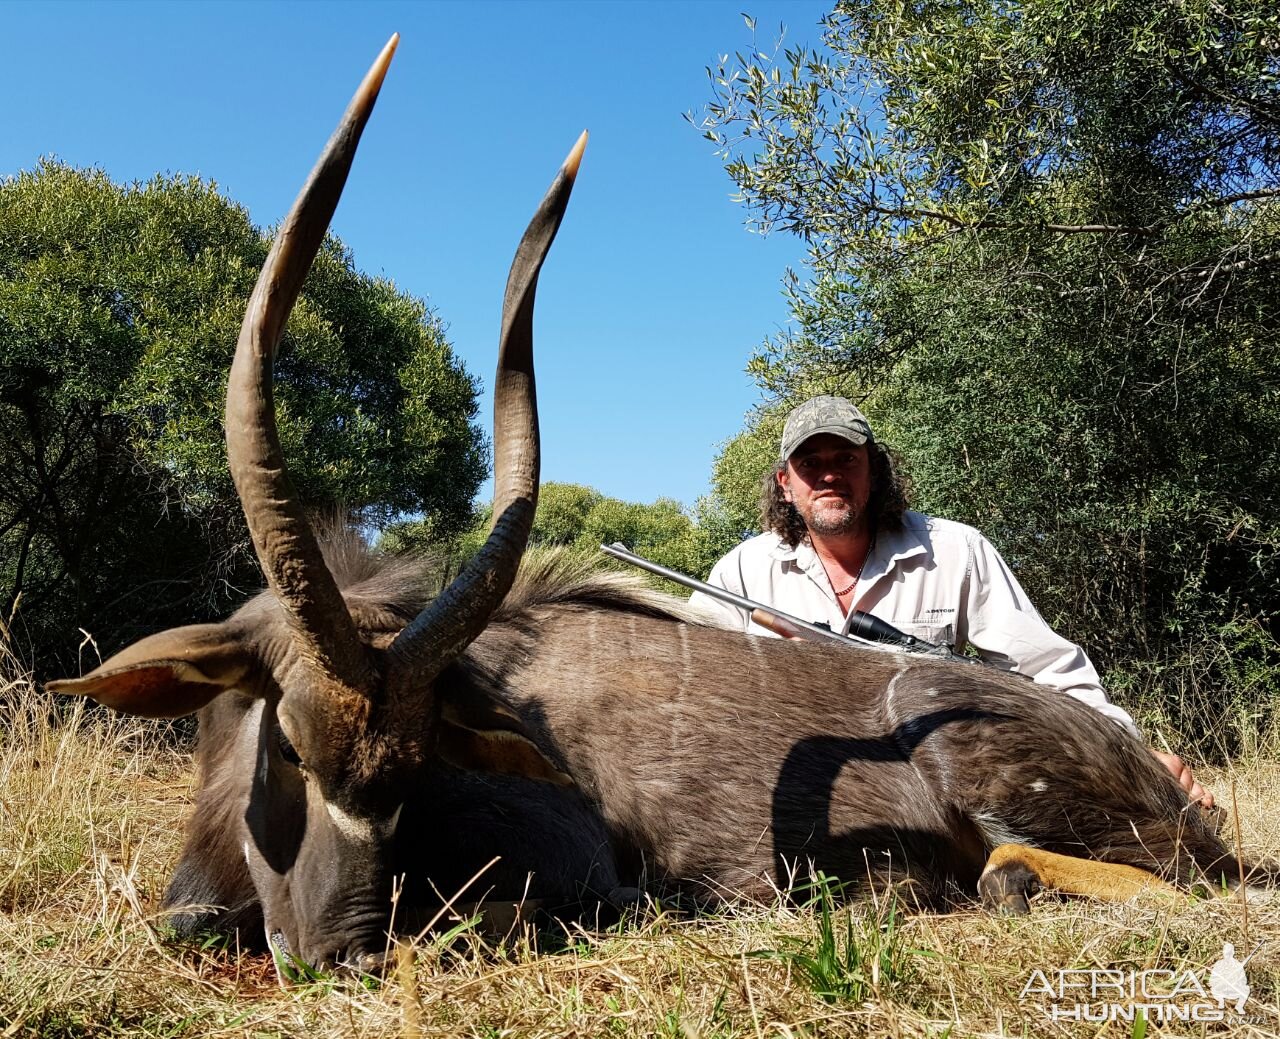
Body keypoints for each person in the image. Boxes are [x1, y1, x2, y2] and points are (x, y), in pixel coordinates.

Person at [691, 395, 1212, 808]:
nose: (829, 475)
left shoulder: (956, 550)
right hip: (804, 781)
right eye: (810, 463)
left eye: (846, 458)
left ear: (874, 471)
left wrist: (1129, 756)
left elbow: (1047, 670)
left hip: (938, 777)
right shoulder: (739, 572)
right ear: (786, 484)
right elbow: (697, 704)